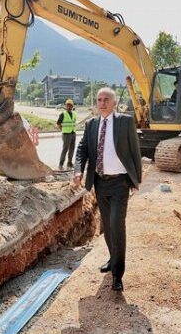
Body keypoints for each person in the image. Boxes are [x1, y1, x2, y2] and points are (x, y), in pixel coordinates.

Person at [73, 87, 142, 292]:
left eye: (106, 100)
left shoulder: (125, 122)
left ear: (114, 103)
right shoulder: (91, 124)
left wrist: (136, 179)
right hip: (100, 183)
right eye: (99, 99)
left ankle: (117, 275)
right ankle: (113, 258)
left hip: (120, 183)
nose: (102, 103)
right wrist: (78, 170)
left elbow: (134, 151)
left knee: (117, 225)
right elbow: (82, 149)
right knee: (107, 226)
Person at [57, 99, 77, 170]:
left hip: (73, 133)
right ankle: (61, 164)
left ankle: (69, 163)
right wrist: (62, 130)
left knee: (72, 149)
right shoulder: (63, 114)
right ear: (66, 106)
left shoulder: (74, 113)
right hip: (66, 134)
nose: (69, 106)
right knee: (65, 149)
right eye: (68, 105)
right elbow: (58, 123)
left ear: (72, 106)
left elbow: (74, 123)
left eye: (70, 105)